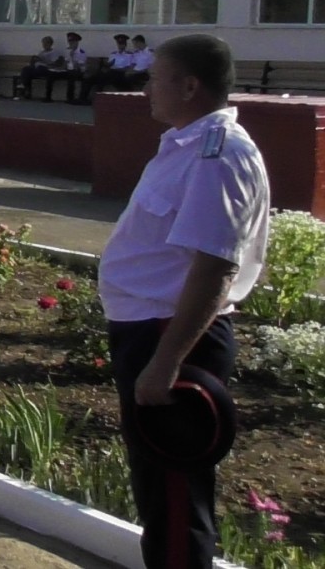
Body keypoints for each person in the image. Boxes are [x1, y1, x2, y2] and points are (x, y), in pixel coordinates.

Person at [98, 34, 270, 569]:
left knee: (175, 500)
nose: (146, 87)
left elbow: (215, 266)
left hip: (173, 339)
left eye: (156, 77)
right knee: (160, 495)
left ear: (190, 85)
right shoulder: (186, 144)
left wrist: (166, 362)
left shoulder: (218, 156)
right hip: (150, 332)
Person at [79, 33, 134, 103]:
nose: (120, 46)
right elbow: (109, 64)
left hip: (120, 73)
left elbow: (128, 67)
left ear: (125, 44)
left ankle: (97, 100)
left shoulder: (129, 55)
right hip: (110, 72)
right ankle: (82, 98)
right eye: (119, 44)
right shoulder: (113, 54)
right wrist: (106, 64)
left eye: (122, 44)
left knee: (103, 78)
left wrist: (113, 69)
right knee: (90, 78)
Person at [13, 36, 65, 101]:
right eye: (43, 43)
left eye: (46, 43)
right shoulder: (42, 52)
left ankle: (23, 88)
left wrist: (43, 61)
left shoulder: (54, 52)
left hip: (46, 69)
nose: (44, 45)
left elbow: (55, 64)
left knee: (39, 68)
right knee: (26, 69)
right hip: (37, 69)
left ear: (50, 44)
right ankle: (24, 88)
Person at [57, 32, 89, 104]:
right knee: (53, 74)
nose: (71, 44)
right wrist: (60, 69)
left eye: (73, 42)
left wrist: (72, 56)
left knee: (71, 75)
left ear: (77, 42)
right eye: (70, 42)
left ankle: (70, 98)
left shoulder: (81, 53)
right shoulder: (67, 51)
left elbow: (78, 66)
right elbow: (65, 64)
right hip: (69, 71)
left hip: (78, 71)